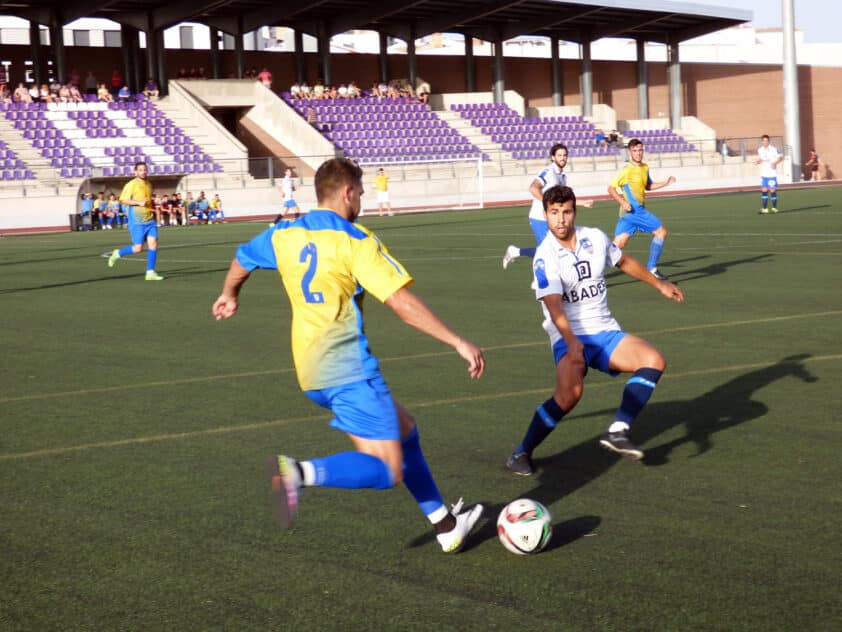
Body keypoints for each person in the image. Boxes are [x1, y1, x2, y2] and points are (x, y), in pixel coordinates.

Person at [212, 157, 486, 552]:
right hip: (347, 369)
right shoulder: (354, 239)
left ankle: (445, 526)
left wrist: (229, 294)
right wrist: (457, 341)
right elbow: (400, 302)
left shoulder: (284, 234)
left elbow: (243, 257)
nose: (363, 198)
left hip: (309, 370)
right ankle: (298, 473)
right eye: (360, 191)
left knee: (405, 428)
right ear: (347, 192)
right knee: (388, 469)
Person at [505, 185, 685, 475]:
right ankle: (521, 452)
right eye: (554, 213)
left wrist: (660, 284)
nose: (561, 219)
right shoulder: (544, 256)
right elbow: (553, 305)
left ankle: (617, 430)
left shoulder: (595, 237)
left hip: (604, 331)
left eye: (566, 212)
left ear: (574, 212)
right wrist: (571, 342)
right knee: (569, 396)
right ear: (545, 215)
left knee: (653, 361)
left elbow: (623, 261)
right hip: (567, 334)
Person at [502, 143, 593, 269]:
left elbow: (563, 200)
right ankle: (540, 280)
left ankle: (515, 252)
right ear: (553, 157)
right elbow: (533, 188)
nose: (563, 158)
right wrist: (548, 206)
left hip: (553, 218)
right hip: (539, 217)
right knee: (549, 250)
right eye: (559, 155)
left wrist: (583, 203)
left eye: (565, 155)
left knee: (553, 248)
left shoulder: (562, 176)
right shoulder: (548, 172)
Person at [607, 138, 676, 280]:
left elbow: (648, 186)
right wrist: (622, 201)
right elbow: (611, 188)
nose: (638, 153)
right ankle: (652, 268)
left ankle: (590, 266)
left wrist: (665, 183)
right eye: (635, 151)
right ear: (629, 152)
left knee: (616, 246)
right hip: (634, 211)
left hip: (627, 215)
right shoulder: (626, 170)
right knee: (661, 232)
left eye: (640, 150)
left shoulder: (645, 167)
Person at [103, 162, 164, 281]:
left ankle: (150, 272)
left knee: (153, 244)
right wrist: (138, 202)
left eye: (145, 170)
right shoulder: (131, 185)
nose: (143, 172)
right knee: (138, 248)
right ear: (136, 172)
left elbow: (147, 200)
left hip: (149, 219)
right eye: (140, 170)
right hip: (137, 221)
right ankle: (117, 253)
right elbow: (122, 200)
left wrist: (154, 201)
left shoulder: (149, 184)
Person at [755, 134, 782, 214]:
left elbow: (780, 157)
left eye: (766, 140)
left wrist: (775, 163)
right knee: (764, 190)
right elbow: (761, 159)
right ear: (762, 141)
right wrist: (758, 161)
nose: (765, 142)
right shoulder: (760, 150)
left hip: (772, 174)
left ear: (768, 141)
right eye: (764, 141)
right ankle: (765, 209)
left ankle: (774, 208)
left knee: (772, 190)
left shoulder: (773, 149)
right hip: (764, 174)